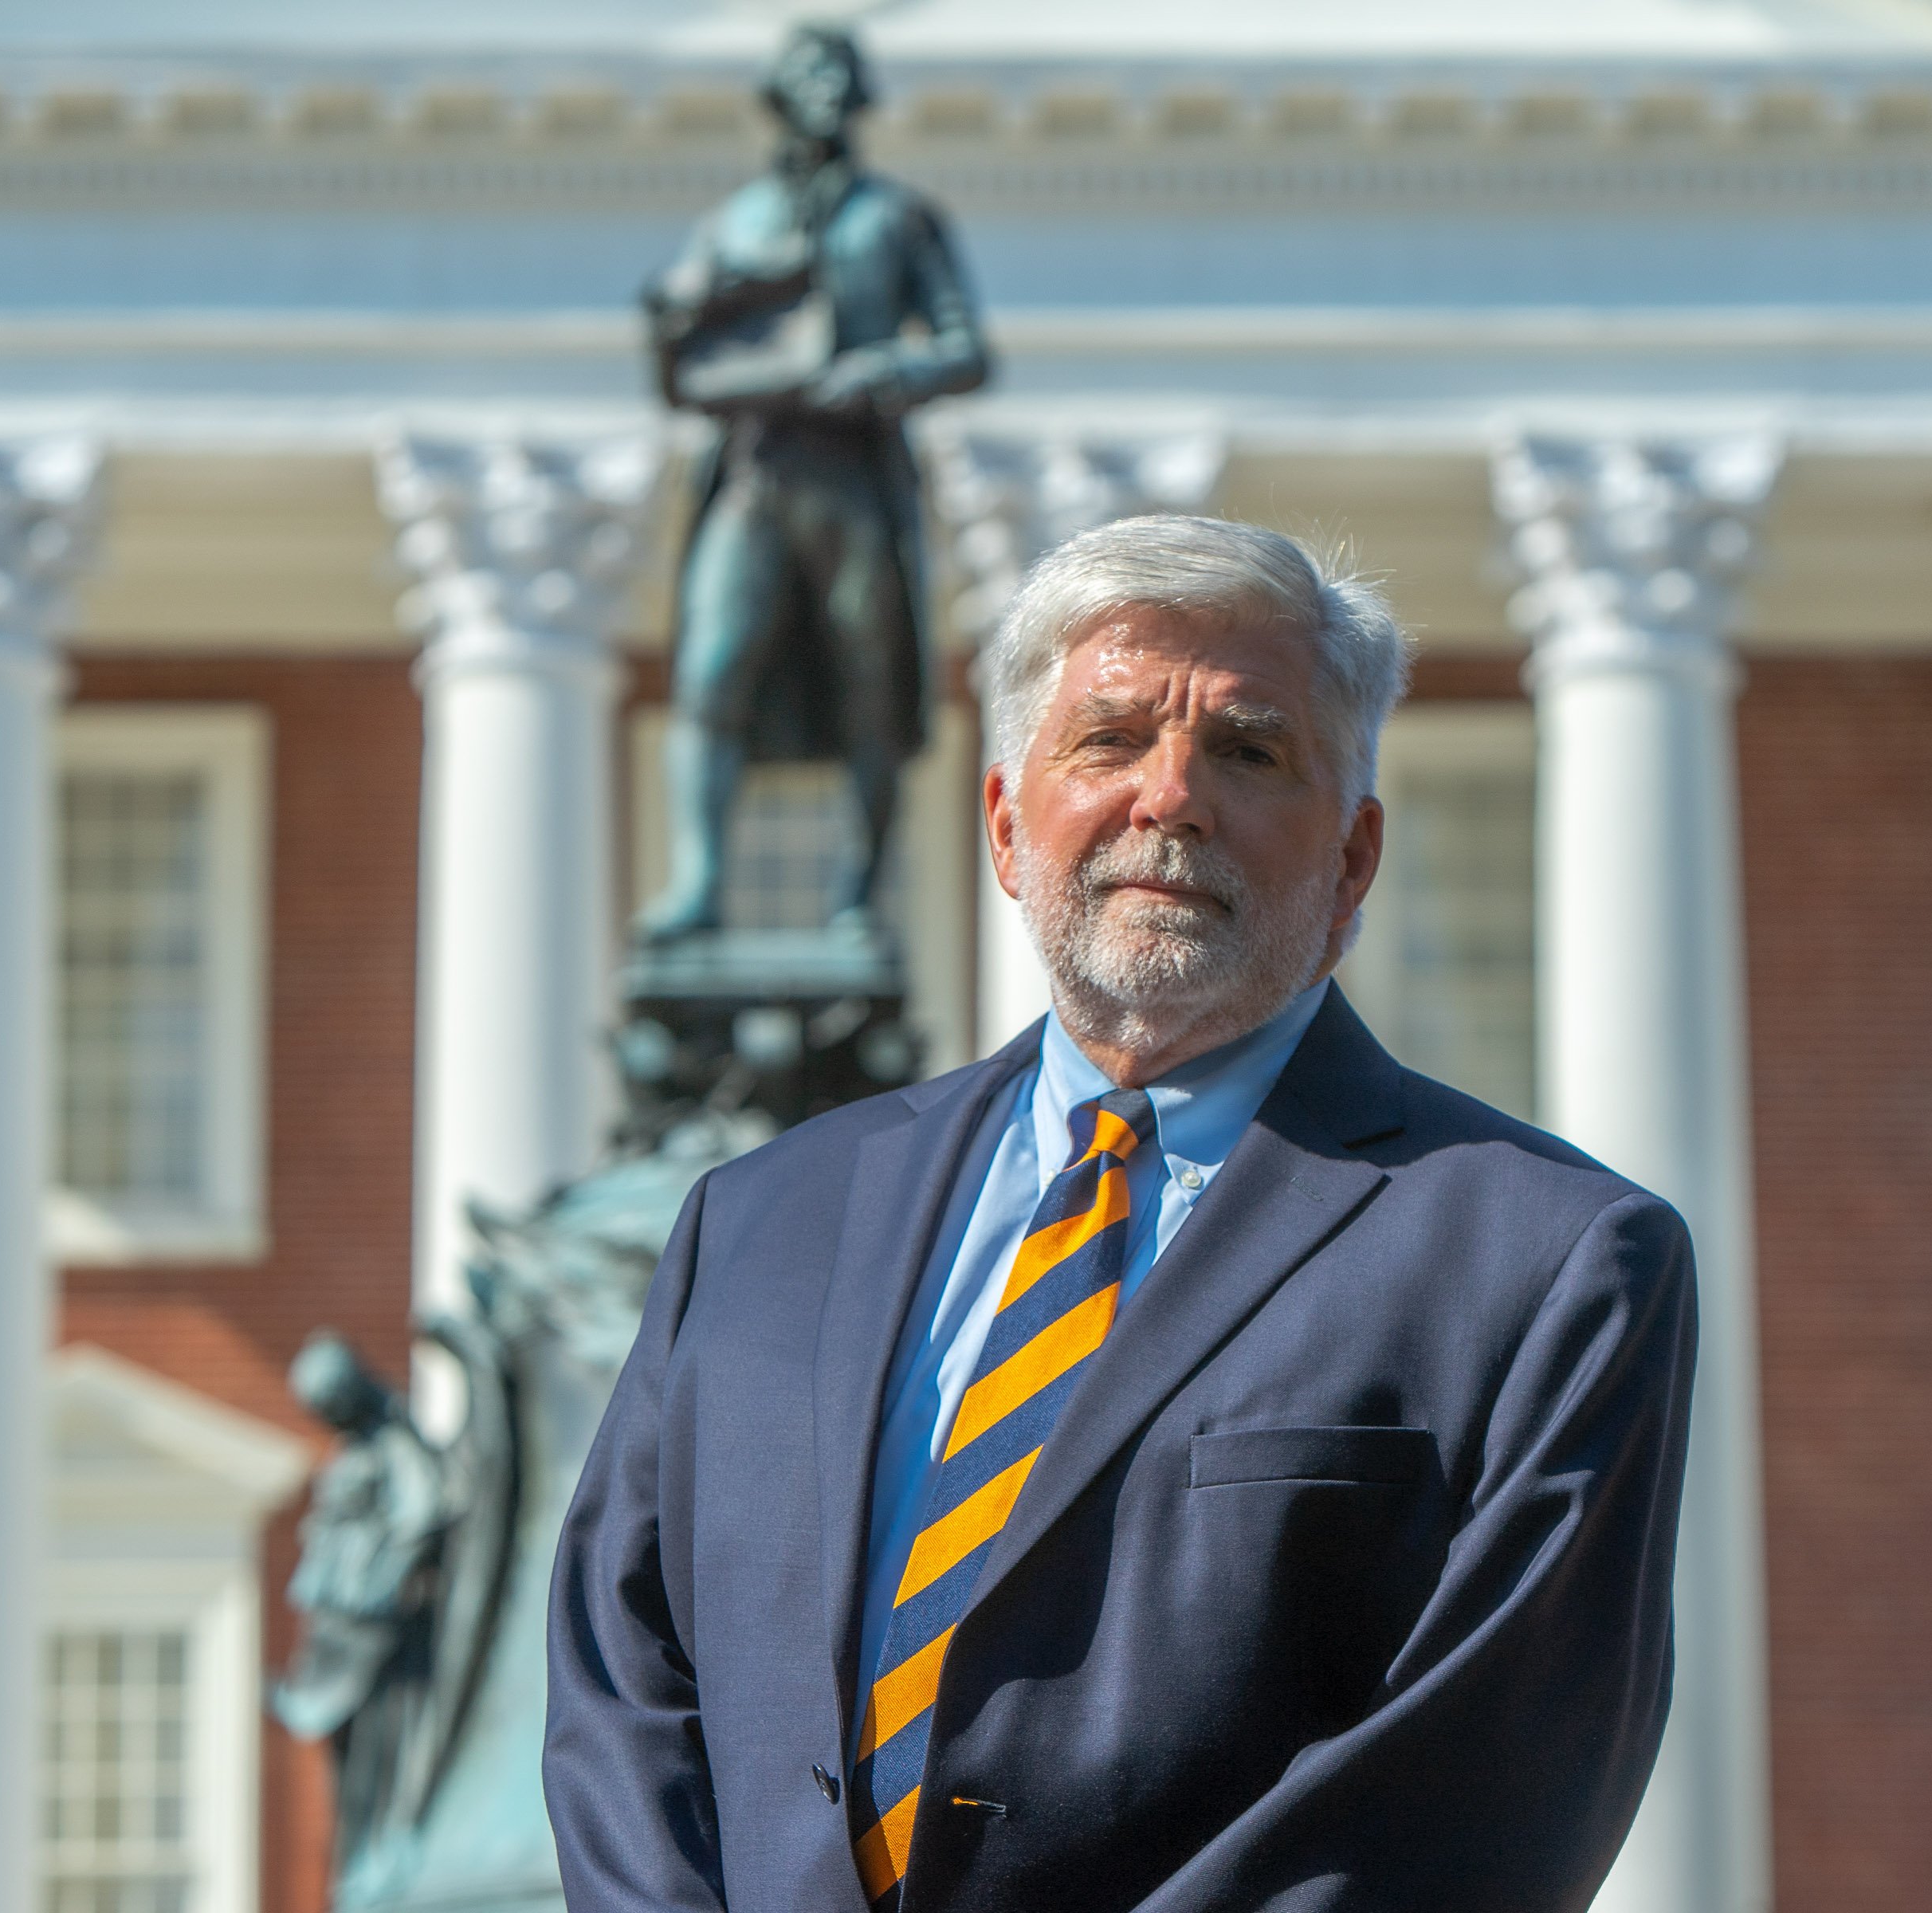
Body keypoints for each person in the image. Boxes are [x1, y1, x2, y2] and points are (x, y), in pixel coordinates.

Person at [545, 514, 1696, 1913]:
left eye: (1250, 750)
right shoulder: (764, 1220)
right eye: (1109, 740)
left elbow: (1468, 1802)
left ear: (1354, 861)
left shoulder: (1551, 1264)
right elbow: (624, 1675)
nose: (1172, 797)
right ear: (1006, 827)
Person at [633, 25, 989, 942]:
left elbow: (965, 347)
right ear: (780, 96)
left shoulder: (896, 217)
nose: (825, 88)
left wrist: (891, 375)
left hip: (853, 477)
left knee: (869, 683)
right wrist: (673, 324)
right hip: (755, 473)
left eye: (838, 73)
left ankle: (857, 899)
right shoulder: (735, 221)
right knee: (711, 672)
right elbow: (695, 350)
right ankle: (700, 887)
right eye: (807, 74)